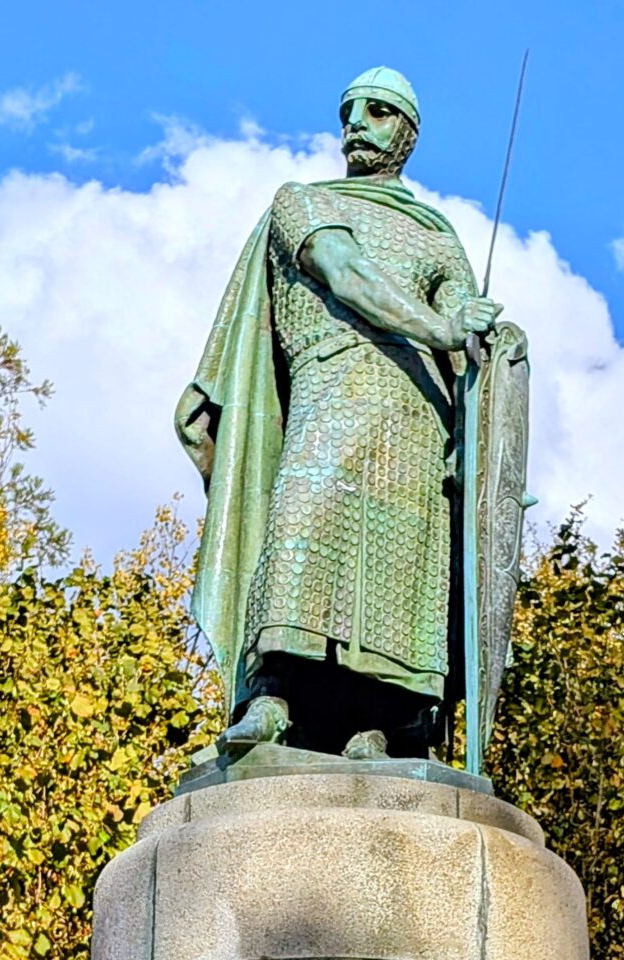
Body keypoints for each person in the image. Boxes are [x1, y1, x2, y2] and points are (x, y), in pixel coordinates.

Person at [176, 67, 502, 760]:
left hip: (417, 419)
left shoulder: (437, 236)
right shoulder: (303, 202)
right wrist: (443, 329)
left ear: (407, 133)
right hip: (329, 390)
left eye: (378, 111)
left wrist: (484, 345)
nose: (357, 121)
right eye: (350, 109)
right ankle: (272, 698)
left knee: (402, 569)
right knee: (301, 533)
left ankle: (384, 722)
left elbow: (468, 341)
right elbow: (345, 272)